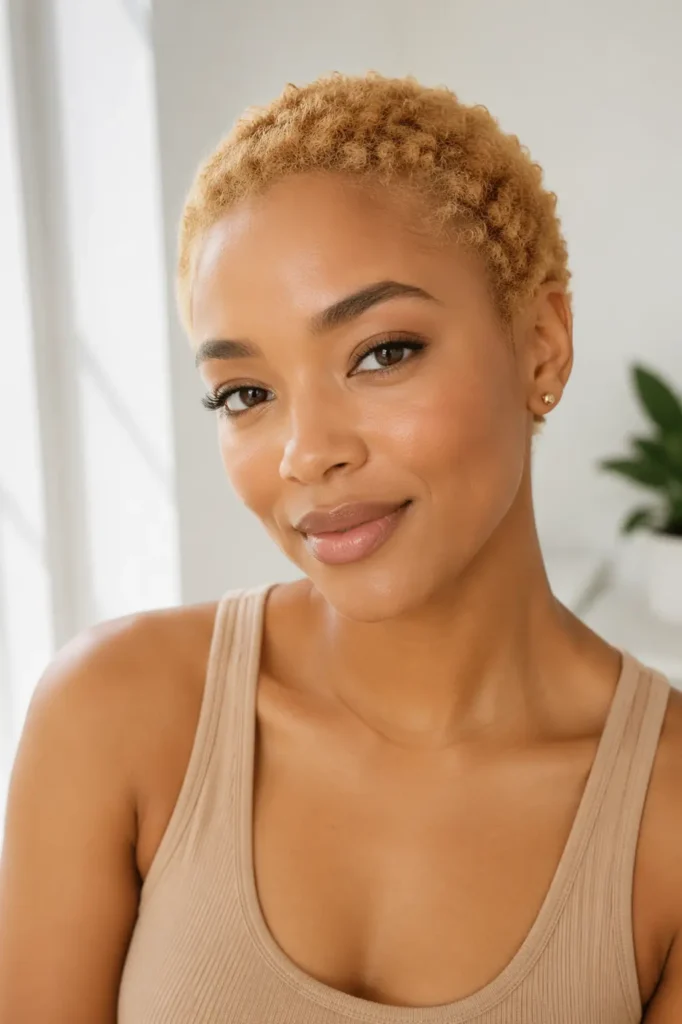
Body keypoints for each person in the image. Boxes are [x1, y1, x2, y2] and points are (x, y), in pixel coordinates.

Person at [0, 70, 680, 1024]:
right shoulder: (117, 717)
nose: (307, 453)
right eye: (246, 393)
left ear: (541, 342)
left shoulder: (667, 819)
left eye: (381, 353)